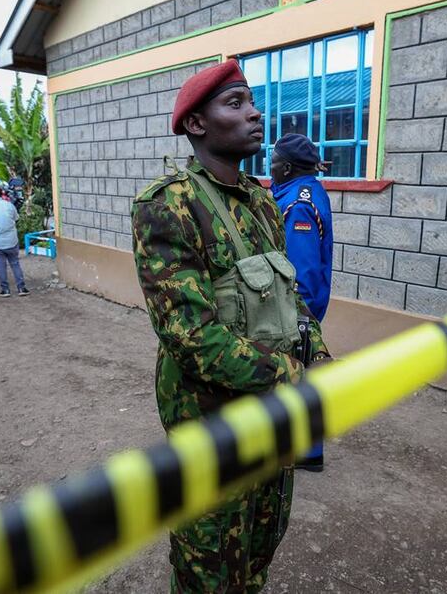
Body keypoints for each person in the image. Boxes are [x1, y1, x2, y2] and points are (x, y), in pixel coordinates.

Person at [132, 59, 330, 593]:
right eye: (235, 103)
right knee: (210, 563)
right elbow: (191, 337)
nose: (254, 113)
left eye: (251, 101)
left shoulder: (264, 201)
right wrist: (292, 375)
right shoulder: (169, 205)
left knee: (263, 543)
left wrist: (320, 354)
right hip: (209, 423)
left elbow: (291, 298)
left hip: (269, 412)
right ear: (197, 124)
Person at [269, 133, 333, 473]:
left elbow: (302, 272)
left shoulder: (298, 205)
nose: (270, 167)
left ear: (288, 167)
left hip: (296, 309)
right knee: (302, 376)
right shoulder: (303, 191)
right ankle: (310, 448)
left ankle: (305, 450)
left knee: (293, 374)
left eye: (274, 162)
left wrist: (300, 320)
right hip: (301, 308)